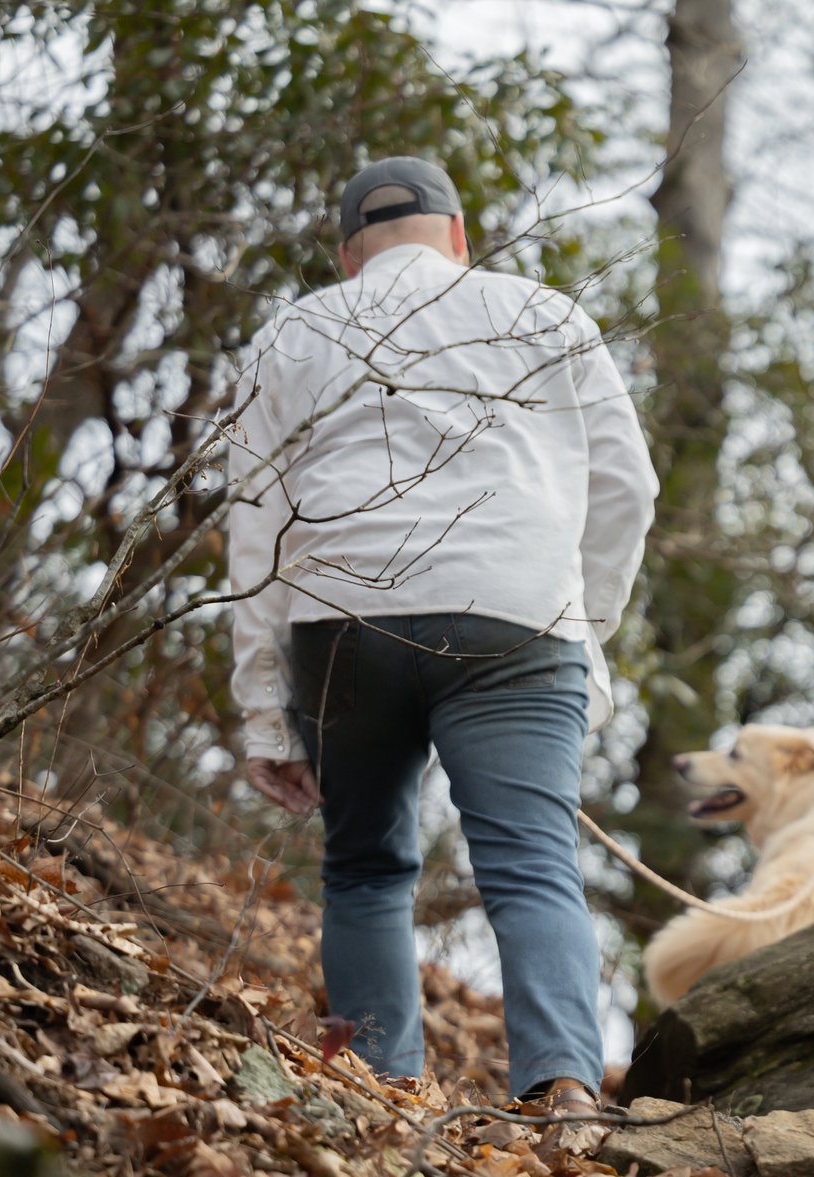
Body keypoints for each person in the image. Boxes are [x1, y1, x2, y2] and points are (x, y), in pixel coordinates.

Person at [227, 157, 657, 1116]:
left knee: (366, 865)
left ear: (347, 257)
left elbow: (255, 521)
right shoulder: (543, 314)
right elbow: (631, 488)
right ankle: (564, 1094)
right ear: (460, 237)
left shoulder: (295, 330)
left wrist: (267, 710)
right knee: (534, 862)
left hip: (341, 623)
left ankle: (381, 1095)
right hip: (517, 618)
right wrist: (582, 623)